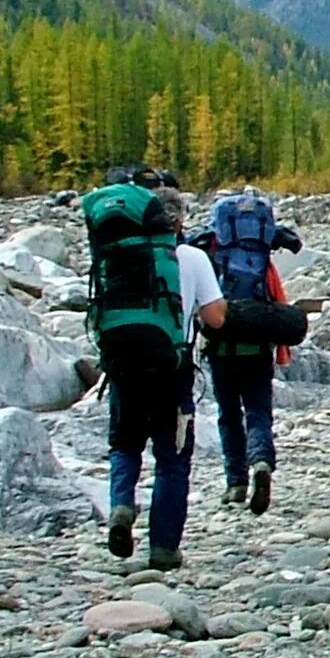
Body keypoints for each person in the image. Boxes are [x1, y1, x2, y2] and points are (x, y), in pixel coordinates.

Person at [88, 170, 226, 571]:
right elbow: (215, 318)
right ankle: (164, 547)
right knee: (172, 458)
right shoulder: (191, 257)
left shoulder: (117, 255)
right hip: (172, 368)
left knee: (125, 445)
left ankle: (121, 506)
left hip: (122, 365)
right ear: (179, 221)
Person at [195, 188, 304, 516]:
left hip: (222, 341)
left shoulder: (210, 242)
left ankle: (236, 483)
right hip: (258, 339)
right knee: (258, 410)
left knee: (229, 415)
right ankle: (261, 462)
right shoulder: (265, 239)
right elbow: (295, 243)